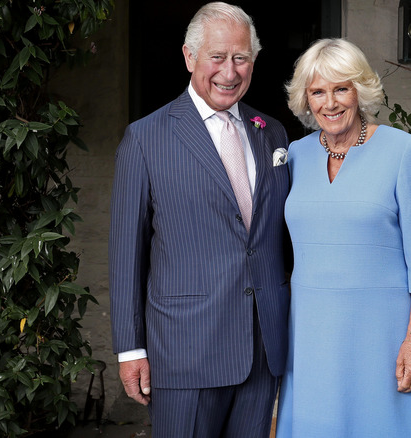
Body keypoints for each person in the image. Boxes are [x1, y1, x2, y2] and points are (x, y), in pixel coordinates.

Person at [108, 3, 290, 437]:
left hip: (263, 348)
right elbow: (125, 254)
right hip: (185, 351)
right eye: (218, 57)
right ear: (190, 57)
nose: (230, 71)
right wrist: (130, 349)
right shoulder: (146, 137)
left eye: (241, 58)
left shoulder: (274, 133)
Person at [275, 38, 411, 437]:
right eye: (318, 91)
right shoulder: (294, 155)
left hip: (380, 337)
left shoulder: (404, 151)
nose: (329, 103)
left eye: (340, 89)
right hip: (310, 334)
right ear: (305, 98)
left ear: (360, 91)